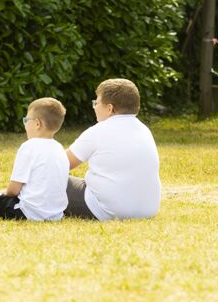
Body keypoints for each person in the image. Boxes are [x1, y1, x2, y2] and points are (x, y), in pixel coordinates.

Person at [65, 79, 161, 220]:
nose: (94, 107)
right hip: (147, 210)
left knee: (52, 178)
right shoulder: (144, 130)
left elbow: (60, 164)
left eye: (96, 103)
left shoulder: (98, 131)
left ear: (109, 108)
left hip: (107, 210)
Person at [0, 98, 69, 221]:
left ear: (37, 124)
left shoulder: (29, 146)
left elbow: (13, 191)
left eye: (26, 120)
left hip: (26, 213)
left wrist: (1, 193)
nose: (24, 124)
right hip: (56, 215)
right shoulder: (60, 148)